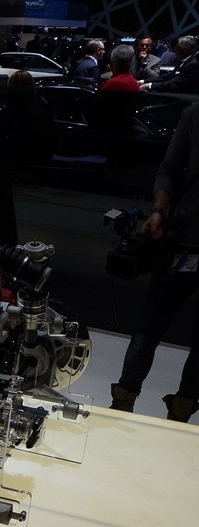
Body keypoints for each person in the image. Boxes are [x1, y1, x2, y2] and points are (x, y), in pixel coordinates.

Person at [111, 102, 199, 422]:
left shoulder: (195, 113)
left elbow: (169, 169)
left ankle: (134, 408)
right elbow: (169, 169)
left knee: (148, 332)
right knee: (148, 332)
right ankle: (135, 409)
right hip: (182, 241)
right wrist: (159, 211)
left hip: (183, 239)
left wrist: (160, 211)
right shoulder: (195, 114)